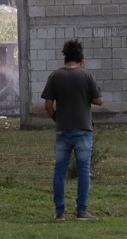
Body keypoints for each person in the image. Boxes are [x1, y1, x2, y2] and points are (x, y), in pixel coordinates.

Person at [41, 38, 103, 221]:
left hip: (63, 131)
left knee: (59, 171)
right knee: (84, 171)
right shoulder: (86, 75)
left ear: (65, 59)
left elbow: (47, 106)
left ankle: (60, 211)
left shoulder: (55, 76)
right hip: (83, 130)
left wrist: (57, 118)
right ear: (81, 60)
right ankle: (82, 211)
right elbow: (99, 100)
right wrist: (85, 96)